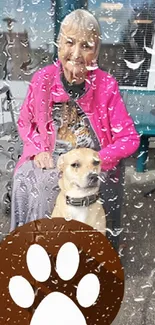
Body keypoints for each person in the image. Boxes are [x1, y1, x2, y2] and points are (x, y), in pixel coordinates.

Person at [10, 9, 140, 246]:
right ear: (59, 44)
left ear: (97, 51)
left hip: (88, 157)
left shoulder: (106, 85)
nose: (77, 53)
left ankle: (72, 256)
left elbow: (130, 139)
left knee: (55, 185)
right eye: (69, 42)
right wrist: (39, 149)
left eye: (87, 45)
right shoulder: (43, 79)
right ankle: (32, 250)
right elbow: (25, 122)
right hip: (49, 154)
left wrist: (96, 160)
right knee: (29, 178)